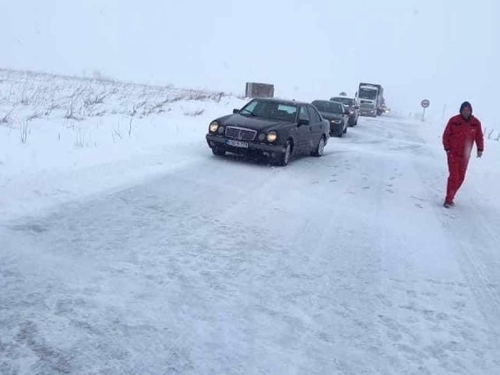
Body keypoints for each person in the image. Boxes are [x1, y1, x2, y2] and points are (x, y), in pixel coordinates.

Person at [442, 101, 484, 208]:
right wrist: (447, 149)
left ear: (471, 111)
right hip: (453, 154)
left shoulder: (476, 123)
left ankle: (451, 195)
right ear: (460, 111)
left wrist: (480, 149)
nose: (466, 112)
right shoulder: (454, 120)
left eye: (468, 110)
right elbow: (446, 134)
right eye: (464, 110)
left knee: (460, 178)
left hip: (465, 155)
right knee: (454, 177)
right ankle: (448, 199)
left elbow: (479, 136)